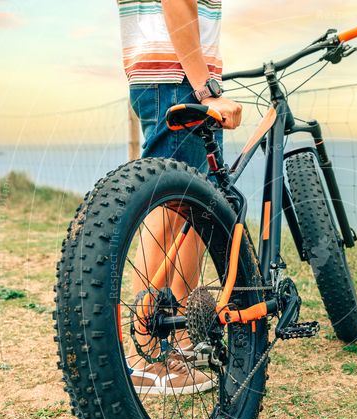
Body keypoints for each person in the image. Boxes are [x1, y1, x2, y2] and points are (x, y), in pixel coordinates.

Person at [117, 0, 242, 393]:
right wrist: (206, 89)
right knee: (168, 211)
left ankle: (183, 340)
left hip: (174, 73)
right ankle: (147, 354)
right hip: (175, 76)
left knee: (193, 211)